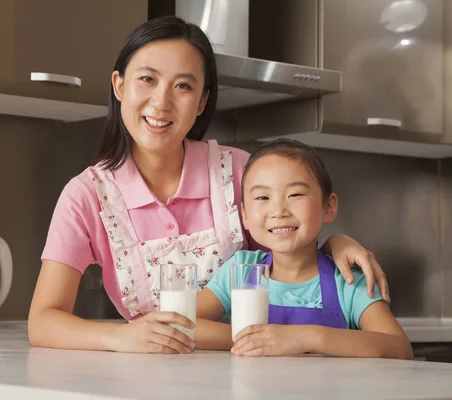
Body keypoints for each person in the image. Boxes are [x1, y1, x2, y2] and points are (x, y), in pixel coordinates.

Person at [28, 16, 390, 354]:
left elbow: (288, 251)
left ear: (202, 101)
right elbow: (43, 322)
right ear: (119, 85)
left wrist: (333, 243)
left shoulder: (238, 169)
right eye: (147, 79)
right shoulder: (87, 195)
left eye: (183, 86)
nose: (162, 102)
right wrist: (122, 336)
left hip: (257, 374)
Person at [197, 138, 412, 359]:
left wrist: (305, 338)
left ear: (329, 207)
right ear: (244, 215)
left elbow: (400, 349)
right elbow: (185, 324)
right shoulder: (242, 271)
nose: (278, 211)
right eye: (263, 197)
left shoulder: (348, 281)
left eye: (295, 195)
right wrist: (258, 339)